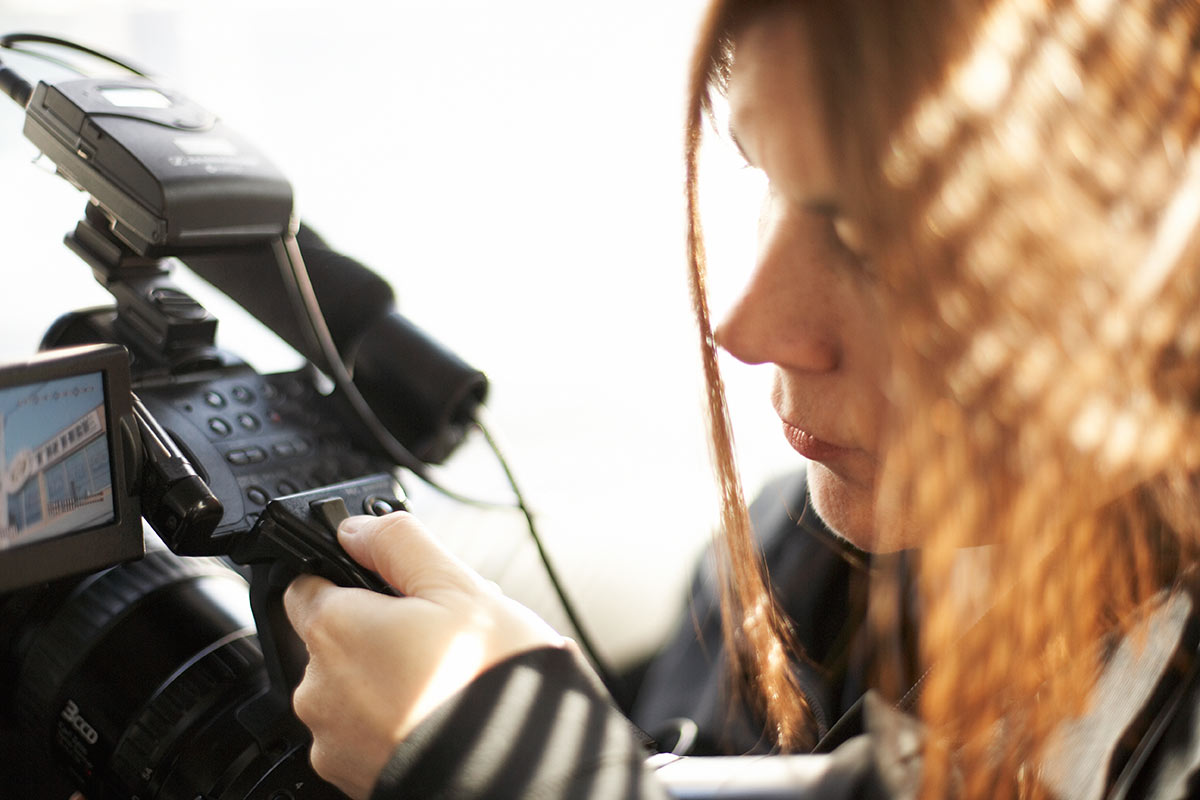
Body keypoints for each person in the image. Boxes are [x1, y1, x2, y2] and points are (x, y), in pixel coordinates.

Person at [283, 0, 1200, 798]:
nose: (745, 325)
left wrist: (539, 775)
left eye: (879, 237)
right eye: (764, 178)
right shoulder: (786, 563)